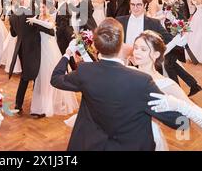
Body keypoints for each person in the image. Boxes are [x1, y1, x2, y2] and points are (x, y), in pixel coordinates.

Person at [51, 18, 187, 150]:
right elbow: (179, 122)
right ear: (120, 45)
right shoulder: (141, 81)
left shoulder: (85, 71)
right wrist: (179, 105)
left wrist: (67, 53)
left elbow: (56, 79)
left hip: (91, 144)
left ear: (96, 46)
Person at [131, 31, 202, 150]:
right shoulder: (127, 72)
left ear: (156, 54)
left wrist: (177, 105)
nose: (136, 52)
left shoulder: (167, 84)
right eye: (135, 47)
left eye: (143, 49)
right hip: (122, 136)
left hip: (148, 139)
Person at [28, 0, 78, 118]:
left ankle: (49, 103)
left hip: (49, 50)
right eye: (40, 7)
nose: (41, 9)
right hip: (40, 50)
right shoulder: (38, 17)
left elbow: (49, 26)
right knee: (40, 76)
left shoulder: (50, 19)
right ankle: (40, 105)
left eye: (44, 7)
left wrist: (35, 21)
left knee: (49, 75)